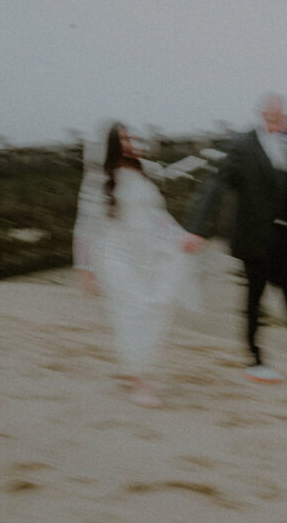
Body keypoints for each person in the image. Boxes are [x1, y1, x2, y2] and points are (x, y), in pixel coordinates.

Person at [182, 93, 287, 384]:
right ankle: (255, 361)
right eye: (275, 117)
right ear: (262, 115)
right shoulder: (241, 145)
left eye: (284, 116)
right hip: (254, 236)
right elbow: (215, 185)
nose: (281, 121)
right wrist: (197, 228)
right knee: (255, 299)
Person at [73, 121, 200, 407]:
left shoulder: (142, 173)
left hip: (144, 254)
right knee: (134, 309)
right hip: (113, 255)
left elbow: (159, 216)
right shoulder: (98, 179)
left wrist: (182, 237)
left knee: (156, 305)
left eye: (130, 136)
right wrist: (85, 270)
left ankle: (138, 369)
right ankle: (138, 380)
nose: (130, 141)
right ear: (112, 145)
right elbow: (84, 226)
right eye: (123, 138)